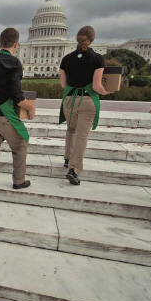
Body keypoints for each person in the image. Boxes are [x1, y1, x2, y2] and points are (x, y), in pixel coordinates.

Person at [0, 27, 35, 210]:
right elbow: (16, 95)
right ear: (16, 44)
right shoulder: (15, 63)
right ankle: (18, 180)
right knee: (21, 143)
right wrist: (30, 107)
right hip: (4, 117)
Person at [59, 25, 111, 185]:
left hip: (69, 100)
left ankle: (68, 158)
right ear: (92, 39)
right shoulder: (97, 59)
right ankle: (74, 170)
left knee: (71, 129)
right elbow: (96, 86)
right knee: (82, 135)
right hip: (87, 100)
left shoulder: (66, 59)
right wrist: (106, 92)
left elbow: (63, 85)